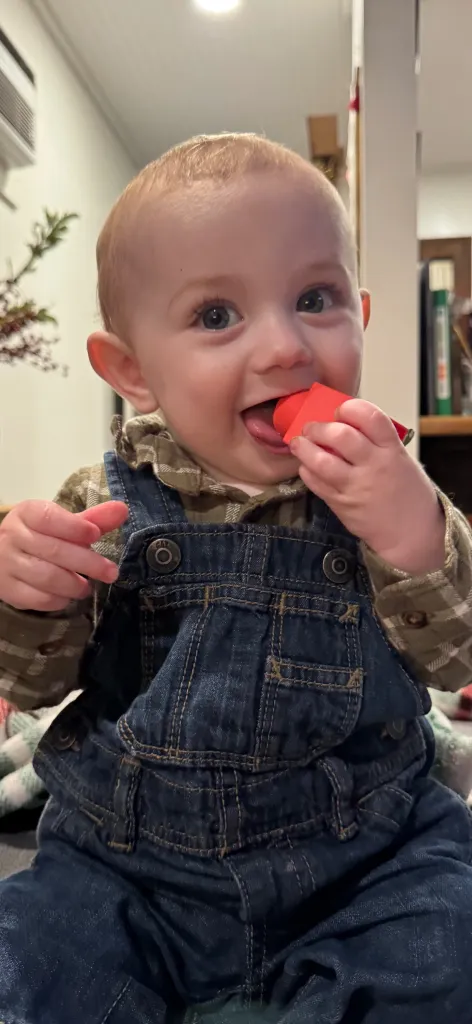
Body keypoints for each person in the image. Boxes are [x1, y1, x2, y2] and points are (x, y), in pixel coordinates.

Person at [0, 134, 472, 1024]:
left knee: (448, 947)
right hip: (127, 864)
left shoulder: (392, 492)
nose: (286, 346)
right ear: (134, 370)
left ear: (360, 315)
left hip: (365, 859)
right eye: (217, 316)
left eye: (316, 299)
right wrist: (23, 594)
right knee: (25, 964)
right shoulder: (101, 500)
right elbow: (30, 682)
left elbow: (456, 658)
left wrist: (414, 533)